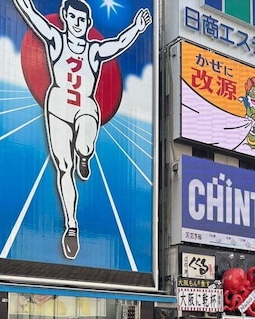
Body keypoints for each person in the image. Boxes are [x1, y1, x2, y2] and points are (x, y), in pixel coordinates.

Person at [12, 0, 152, 259]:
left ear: (88, 24)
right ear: (65, 17)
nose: (77, 24)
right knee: (64, 168)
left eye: (82, 20)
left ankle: (85, 155)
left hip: (85, 105)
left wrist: (137, 28)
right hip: (57, 108)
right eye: (72, 18)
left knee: (84, 143)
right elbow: (32, 14)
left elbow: (119, 43)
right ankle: (71, 226)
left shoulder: (94, 50)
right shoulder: (55, 39)